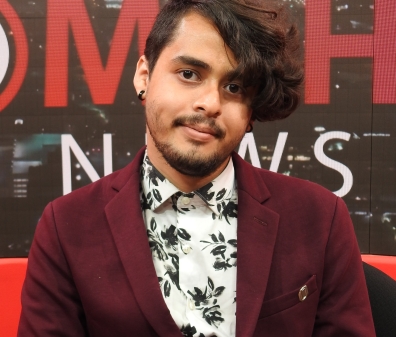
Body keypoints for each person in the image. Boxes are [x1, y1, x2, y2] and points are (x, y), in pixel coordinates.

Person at [18, 0, 375, 336]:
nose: (209, 103)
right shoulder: (66, 227)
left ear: (252, 110)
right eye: (189, 73)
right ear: (144, 76)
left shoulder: (319, 218)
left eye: (234, 87)